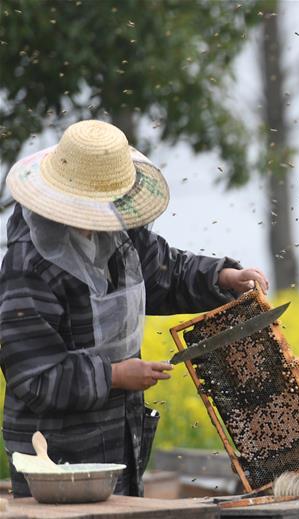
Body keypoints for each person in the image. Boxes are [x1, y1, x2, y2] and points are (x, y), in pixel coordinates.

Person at [0, 120, 270, 497]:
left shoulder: (118, 231)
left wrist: (222, 277)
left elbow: (166, 272)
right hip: (53, 460)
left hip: (118, 437)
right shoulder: (27, 267)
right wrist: (113, 376)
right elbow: (34, 377)